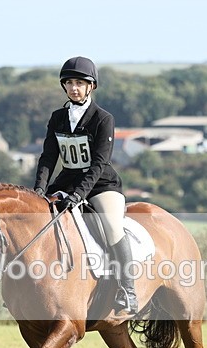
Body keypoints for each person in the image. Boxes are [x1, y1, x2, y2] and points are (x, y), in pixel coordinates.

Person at [34, 56, 137, 314]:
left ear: (91, 86)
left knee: (113, 228)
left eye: (79, 83)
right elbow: (48, 157)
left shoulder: (103, 119)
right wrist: (39, 190)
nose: (74, 88)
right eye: (69, 83)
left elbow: (99, 162)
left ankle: (128, 290)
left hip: (101, 185)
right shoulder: (58, 117)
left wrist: (80, 194)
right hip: (67, 181)